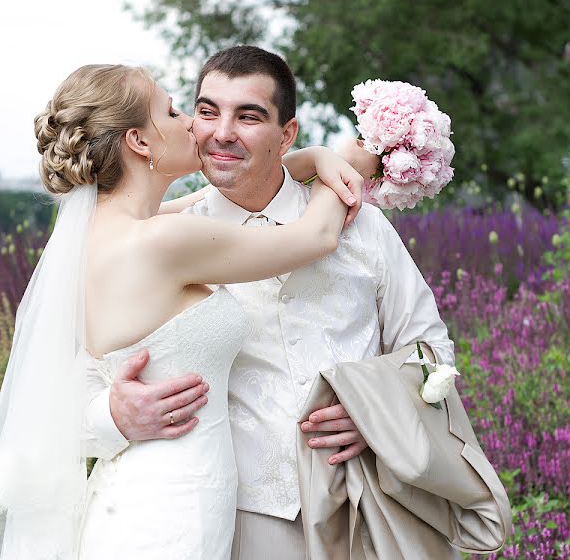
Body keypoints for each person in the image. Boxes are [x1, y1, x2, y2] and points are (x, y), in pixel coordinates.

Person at [0, 63, 363, 559]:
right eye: (173, 111)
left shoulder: (102, 235)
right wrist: (353, 161)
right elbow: (317, 237)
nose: (191, 125)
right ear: (138, 141)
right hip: (173, 514)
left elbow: (209, 197)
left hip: (134, 498)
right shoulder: (165, 239)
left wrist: (311, 158)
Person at [87, 46, 457, 559]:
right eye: (207, 110)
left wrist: (378, 411)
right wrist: (112, 414)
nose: (221, 132)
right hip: (238, 519)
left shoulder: (364, 227)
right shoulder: (162, 240)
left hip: (368, 503)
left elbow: (431, 349)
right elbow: (66, 389)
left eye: (249, 116)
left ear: (287, 135)